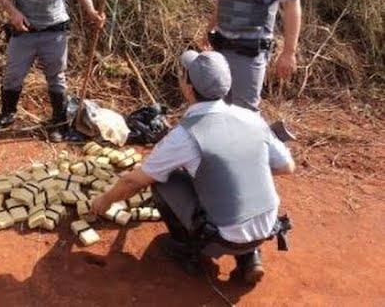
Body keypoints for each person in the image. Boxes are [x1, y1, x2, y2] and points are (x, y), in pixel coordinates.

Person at [91, 50, 295, 284]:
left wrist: (104, 201)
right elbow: (287, 166)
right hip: (268, 226)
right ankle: (250, 258)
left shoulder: (186, 136)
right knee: (227, 182)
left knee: (163, 181)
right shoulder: (252, 118)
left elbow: (133, 181)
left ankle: (188, 250)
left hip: (225, 236)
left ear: (188, 89)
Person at [0, 0, 105, 142]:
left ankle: (59, 122)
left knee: (57, 77)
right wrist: (13, 13)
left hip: (55, 31)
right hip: (24, 30)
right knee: (13, 75)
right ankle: (7, 114)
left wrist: (91, 12)